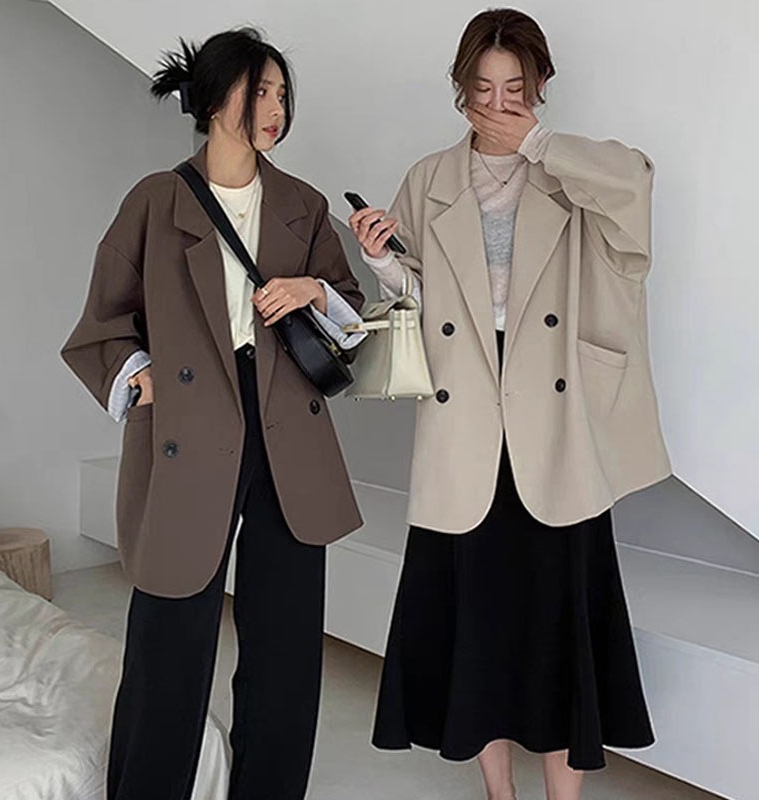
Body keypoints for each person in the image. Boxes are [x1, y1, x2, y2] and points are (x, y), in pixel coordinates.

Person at [348, 9, 671, 800]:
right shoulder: (430, 178)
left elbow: (636, 193)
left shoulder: (574, 172)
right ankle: (500, 792)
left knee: (561, 624)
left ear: (539, 87)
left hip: (554, 419)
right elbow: (422, 297)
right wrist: (383, 262)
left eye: (514, 88)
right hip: (465, 413)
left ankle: (563, 795)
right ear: (460, 87)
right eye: (482, 88)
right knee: (478, 625)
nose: (496, 104)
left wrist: (539, 145)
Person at [61, 27, 367, 800]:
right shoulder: (156, 201)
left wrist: (314, 290)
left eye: (282, 93)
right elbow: (102, 323)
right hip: (190, 430)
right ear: (214, 96)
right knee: (169, 643)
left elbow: (350, 313)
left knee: (285, 649)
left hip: (286, 429)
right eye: (260, 91)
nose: (276, 108)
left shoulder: (302, 203)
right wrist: (142, 380)